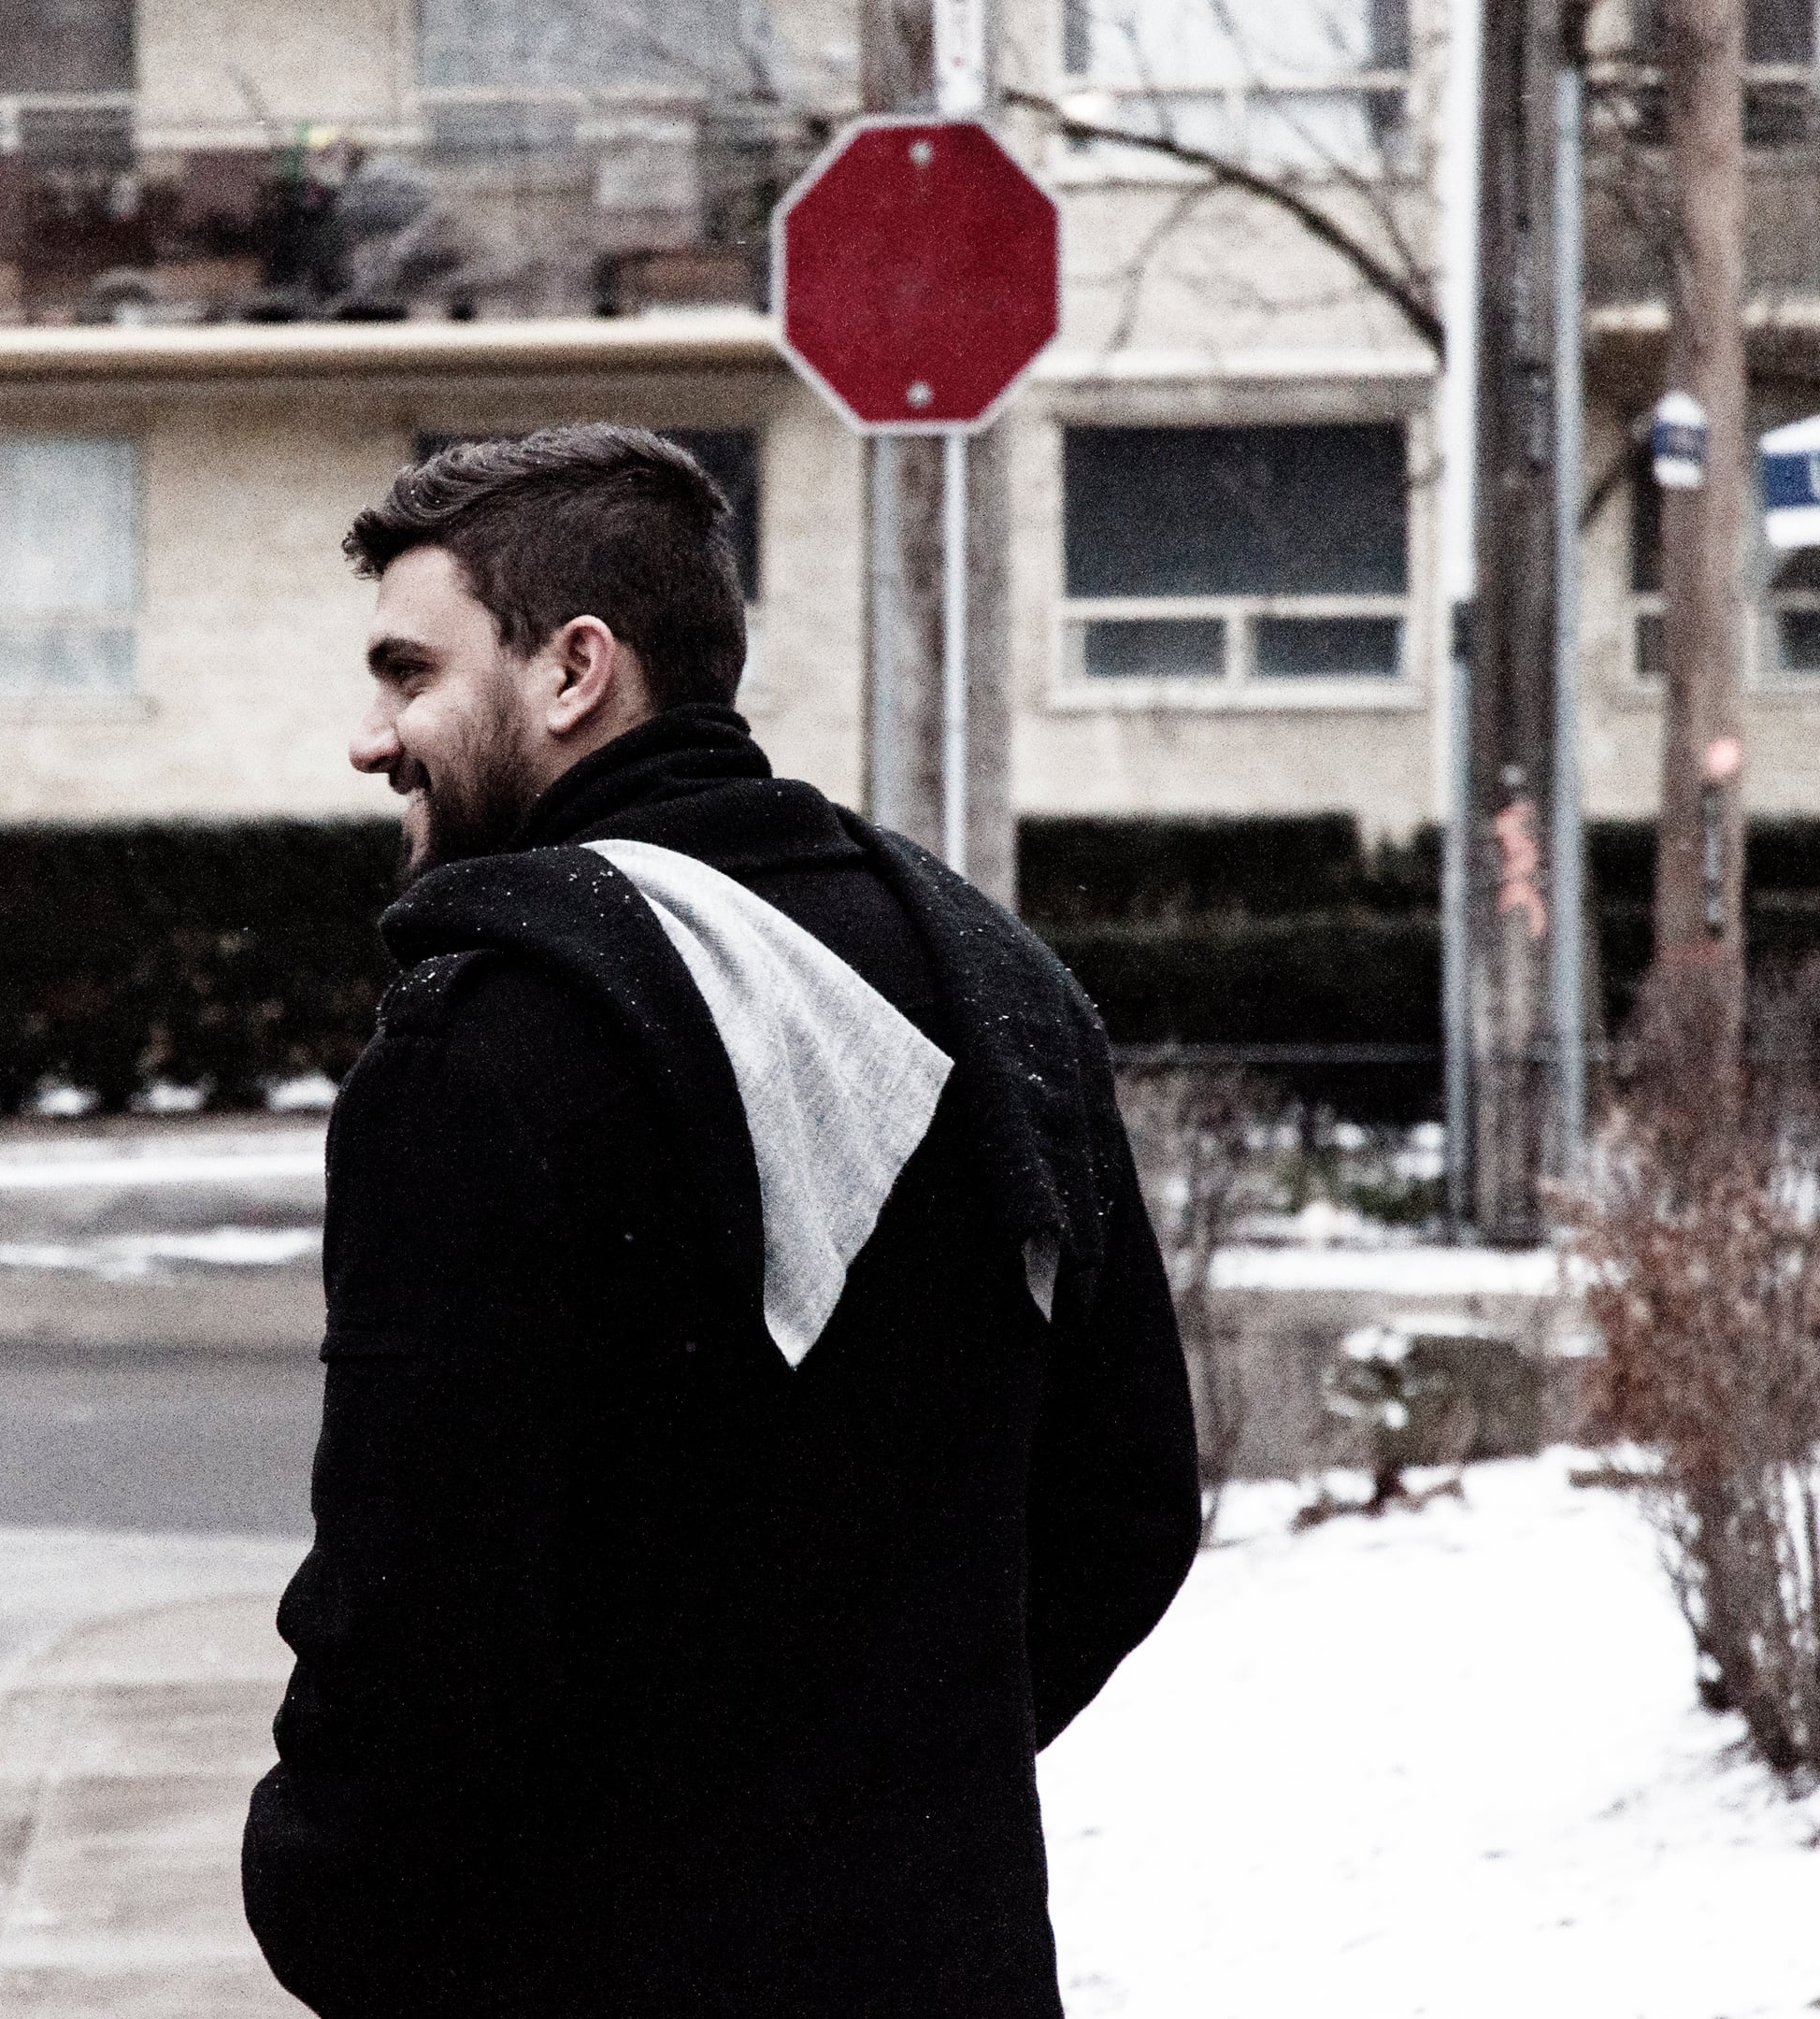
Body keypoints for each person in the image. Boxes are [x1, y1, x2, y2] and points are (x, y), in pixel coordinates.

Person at [243, 424, 1201, 2018]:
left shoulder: (489, 1043)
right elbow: (1131, 1505)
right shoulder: (996, 980)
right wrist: (879, 1784)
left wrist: (329, 1897)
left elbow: (421, 1613)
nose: (372, 739)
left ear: (575, 669)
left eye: (411, 674)